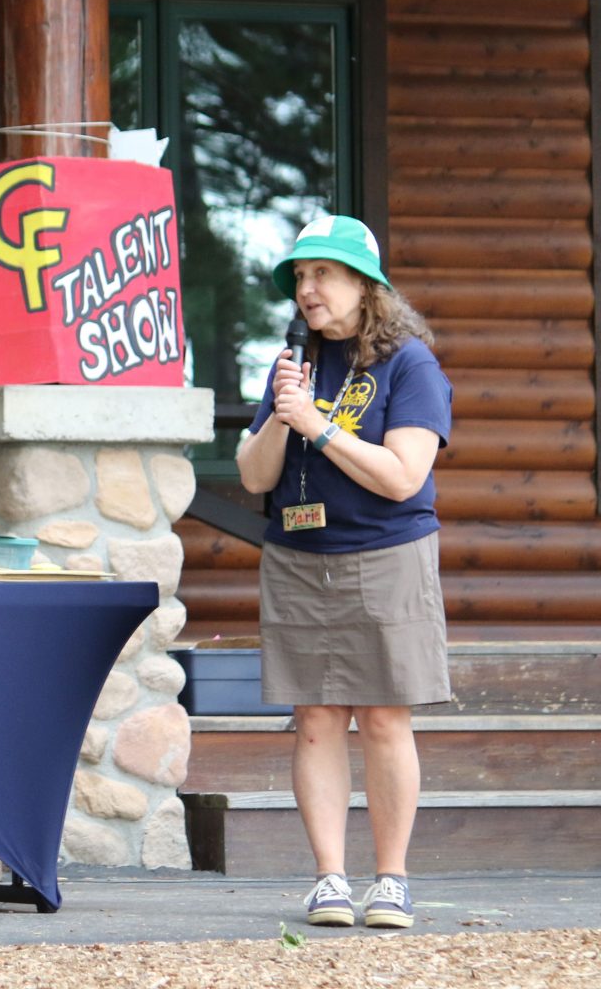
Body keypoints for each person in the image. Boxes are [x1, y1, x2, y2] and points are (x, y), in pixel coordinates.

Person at [234, 215, 453, 930]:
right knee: (316, 721)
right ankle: (329, 879)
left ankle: (390, 881)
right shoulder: (290, 365)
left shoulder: (409, 363)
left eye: (322, 273)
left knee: (385, 718)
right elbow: (253, 476)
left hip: (387, 556)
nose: (307, 289)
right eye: (299, 277)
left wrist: (321, 426)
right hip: (299, 560)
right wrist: (282, 414)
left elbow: (403, 476)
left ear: (366, 284)